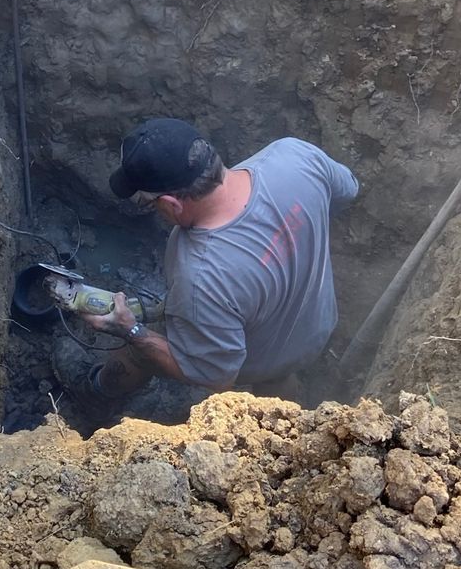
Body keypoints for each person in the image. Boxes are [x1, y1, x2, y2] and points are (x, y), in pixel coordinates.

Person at [82, 117, 358, 400]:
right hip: (317, 327)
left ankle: (96, 391)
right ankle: (284, 405)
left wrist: (131, 329)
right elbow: (347, 189)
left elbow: (215, 375)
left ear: (170, 204)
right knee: (278, 375)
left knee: (138, 352)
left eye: (149, 202)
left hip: (258, 360)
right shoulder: (294, 155)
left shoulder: (200, 275)